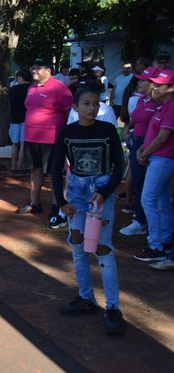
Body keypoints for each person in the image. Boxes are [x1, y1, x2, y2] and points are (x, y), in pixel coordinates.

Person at [52, 87, 126, 335]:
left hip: (100, 199)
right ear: (75, 107)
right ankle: (86, 298)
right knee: (78, 248)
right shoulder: (67, 132)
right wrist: (60, 202)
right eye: (86, 103)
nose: (92, 108)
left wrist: (104, 193)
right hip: (76, 199)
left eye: (96, 103)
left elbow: (120, 166)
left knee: (103, 250)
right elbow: (55, 168)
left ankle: (113, 307)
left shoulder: (107, 130)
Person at [18, 57, 73, 219]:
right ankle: (34, 203)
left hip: (51, 138)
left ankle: (57, 205)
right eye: (33, 68)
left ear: (48, 71)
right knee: (35, 170)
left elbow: (69, 113)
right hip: (31, 136)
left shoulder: (59, 88)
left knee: (52, 173)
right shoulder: (32, 87)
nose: (34, 70)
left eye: (38, 68)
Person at [134, 69, 174, 265]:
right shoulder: (163, 106)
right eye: (155, 84)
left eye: (160, 85)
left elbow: (163, 138)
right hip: (158, 157)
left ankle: (156, 245)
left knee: (148, 199)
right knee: (162, 200)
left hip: (163, 158)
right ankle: (164, 240)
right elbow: (153, 135)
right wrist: (143, 149)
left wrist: (145, 152)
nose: (155, 87)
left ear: (172, 88)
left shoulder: (172, 107)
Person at [120, 67, 160, 237]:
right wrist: (128, 128)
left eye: (143, 80)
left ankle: (143, 222)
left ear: (153, 84)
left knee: (148, 187)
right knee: (139, 182)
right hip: (137, 143)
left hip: (149, 146)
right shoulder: (141, 100)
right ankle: (140, 220)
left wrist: (144, 148)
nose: (139, 82)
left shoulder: (159, 104)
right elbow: (135, 119)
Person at [9, 70, 30, 170]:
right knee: (23, 144)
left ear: (21, 78)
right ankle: (19, 167)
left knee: (14, 144)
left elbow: (10, 104)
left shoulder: (13, 89)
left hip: (15, 118)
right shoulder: (31, 89)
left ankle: (13, 166)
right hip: (27, 119)